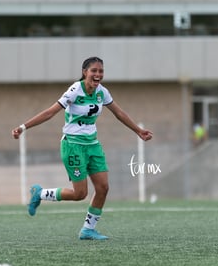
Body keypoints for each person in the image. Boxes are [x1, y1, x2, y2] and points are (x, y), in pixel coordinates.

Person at [12, 57, 153, 240]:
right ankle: (40, 193)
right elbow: (49, 112)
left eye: (101, 71)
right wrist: (23, 127)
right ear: (85, 72)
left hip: (93, 145)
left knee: (103, 187)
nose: (98, 74)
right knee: (80, 194)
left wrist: (139, 131)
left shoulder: (102, 92)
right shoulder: (74, 90)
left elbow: (119, 113)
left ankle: (88, 229)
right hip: (73, 146)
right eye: (94, 70)